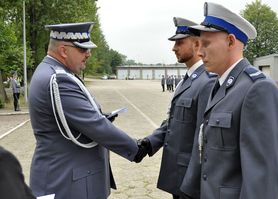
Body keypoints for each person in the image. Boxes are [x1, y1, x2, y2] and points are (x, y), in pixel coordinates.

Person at [28, 22, 146, 199]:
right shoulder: (58, 79)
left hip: (66, 179)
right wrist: (136, 149)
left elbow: (75, 116)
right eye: (83, 50)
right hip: (67, 183)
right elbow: (95, 125)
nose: (88, 54)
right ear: (63, 50)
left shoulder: (54, 72)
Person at [189, 2, 278, 199]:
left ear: (231, 41)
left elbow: (263, 180)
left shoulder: (258, 89)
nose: (199, 53)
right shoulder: (220, 85)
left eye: (206, 44)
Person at [138, 17, 216, 199]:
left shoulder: (207, 82)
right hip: (179, 176)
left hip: (191, 181)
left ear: (197, 44)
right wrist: (150, 143)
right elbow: (175, 120)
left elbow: (204, 138)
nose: (174, 48)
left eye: (180, 42)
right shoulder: (186, 81)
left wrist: (194, 183)